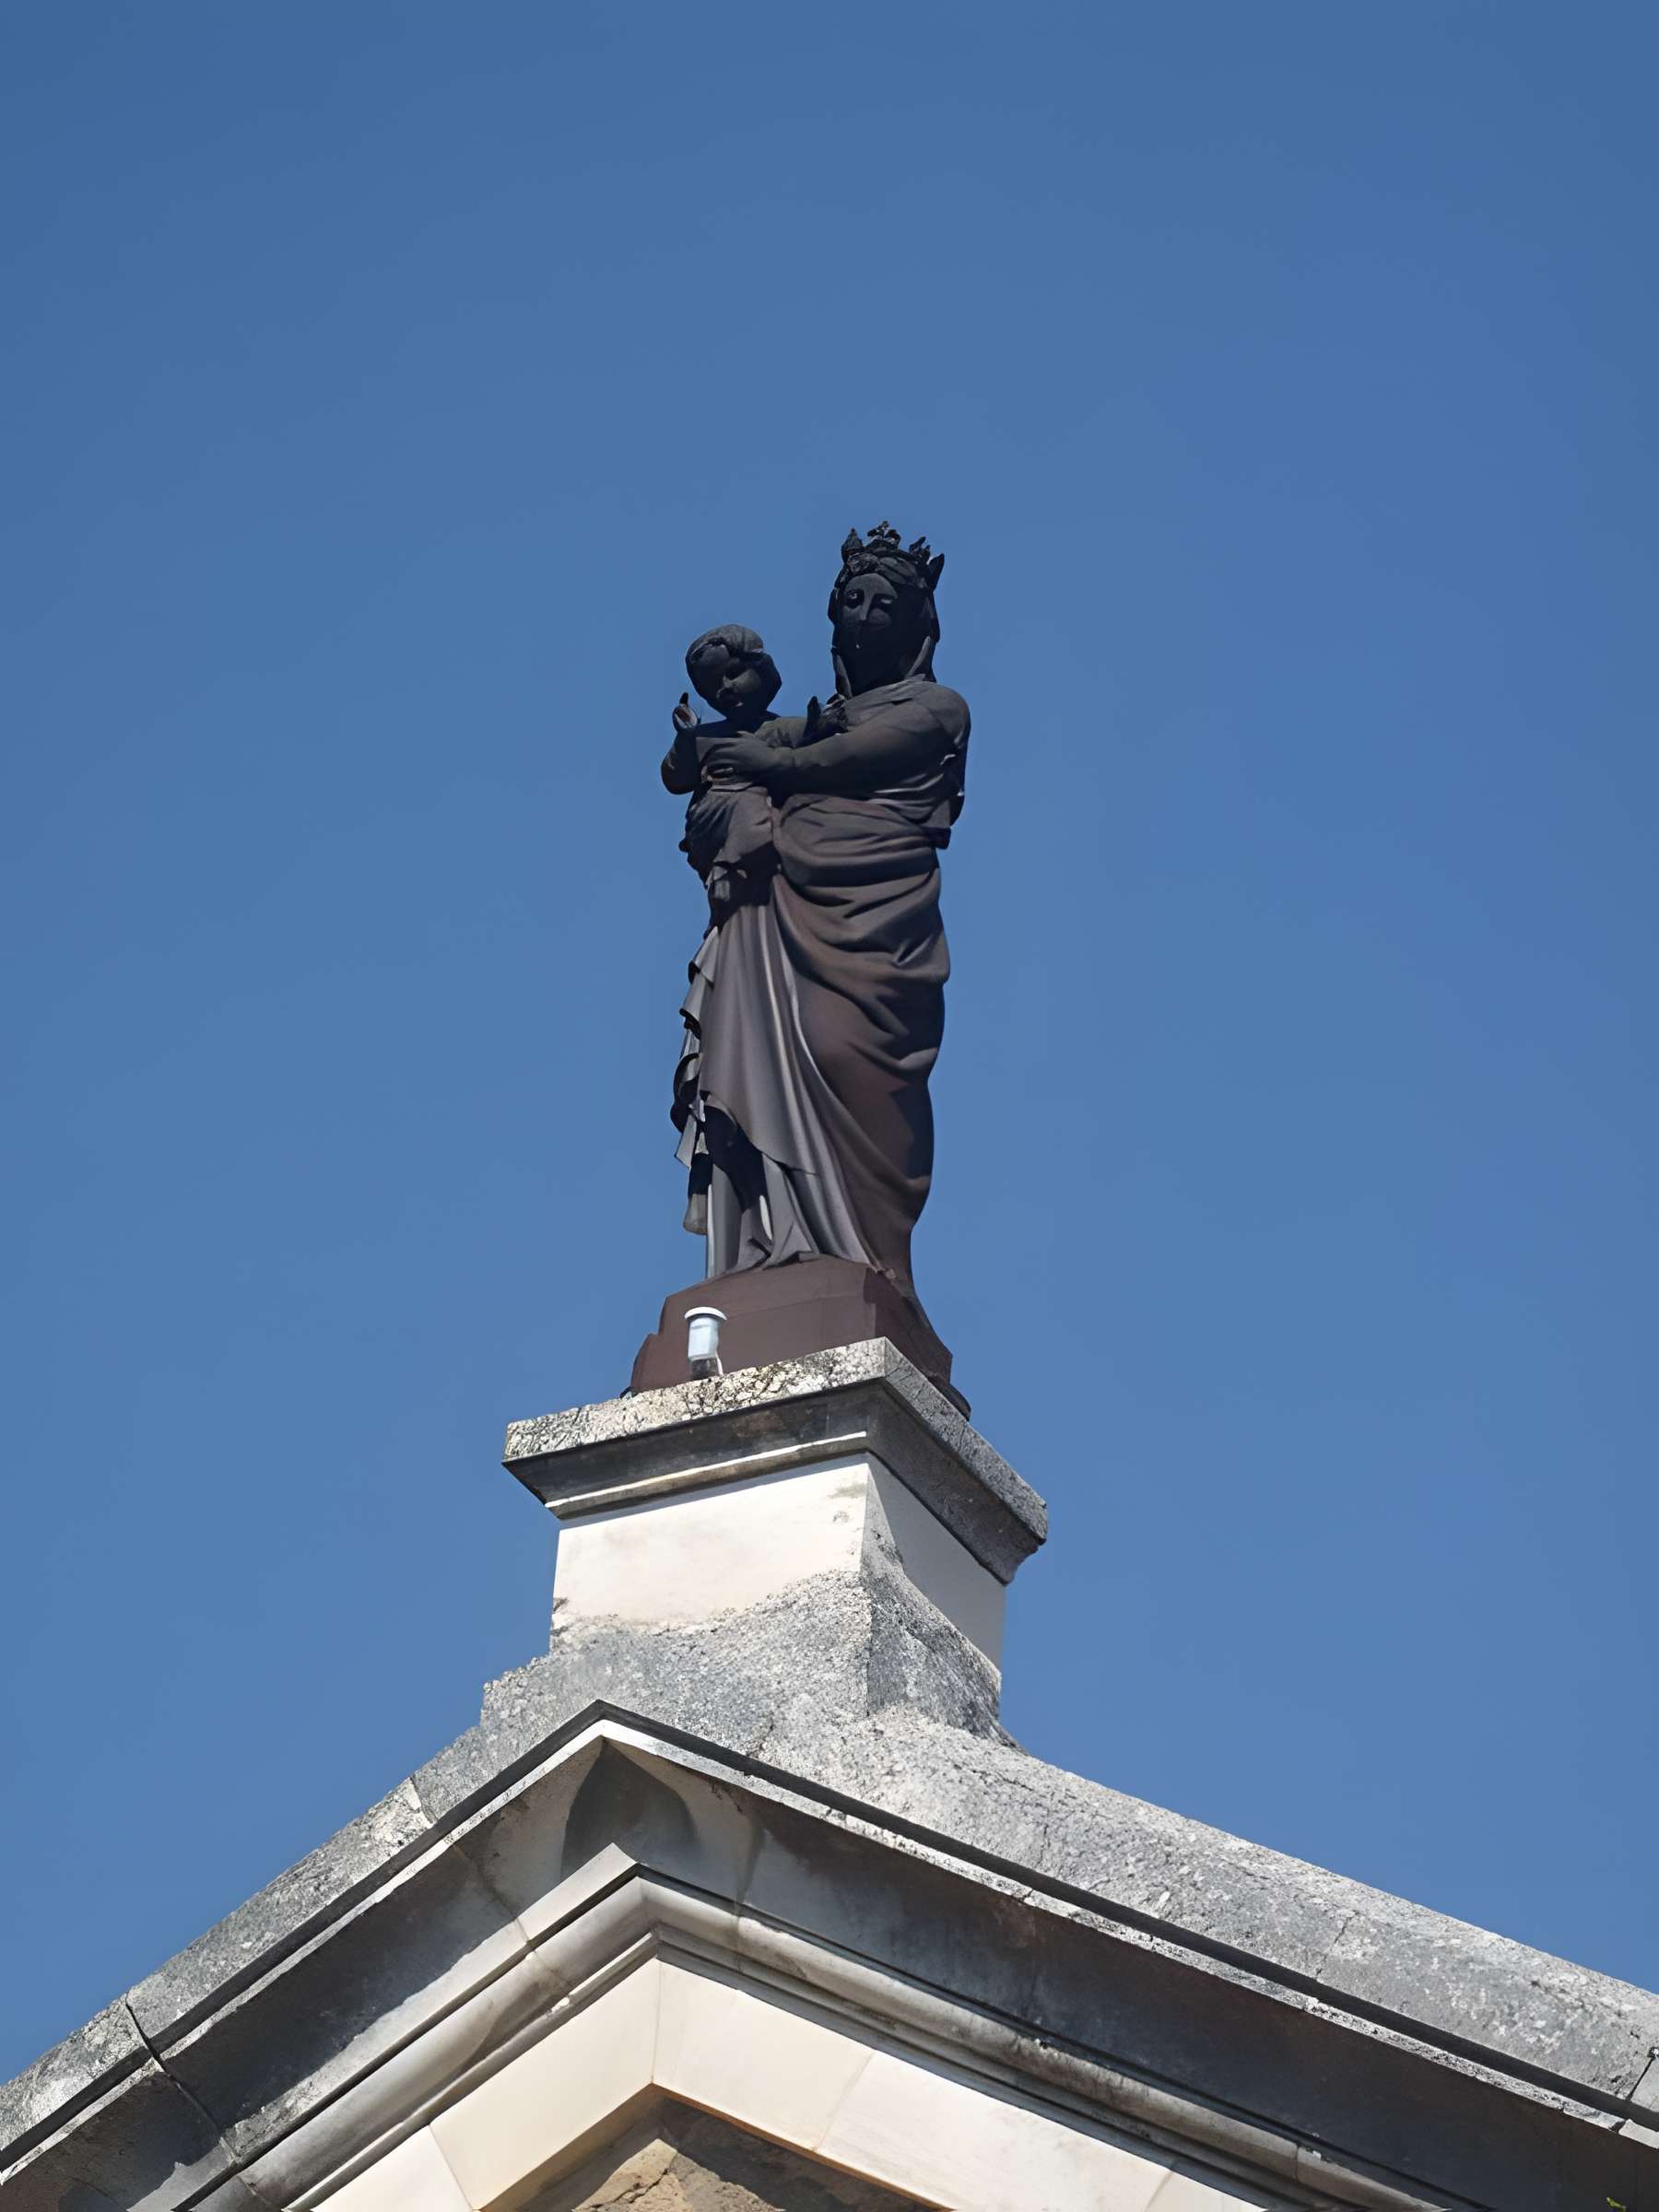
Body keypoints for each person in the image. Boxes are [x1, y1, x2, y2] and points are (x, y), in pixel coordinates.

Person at [669, 525, 968, 1314]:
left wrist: (770, 767)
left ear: (918, 623)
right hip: (774, 914)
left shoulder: (936, 708)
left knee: (849, 1061)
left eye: (884, 604)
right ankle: (765, 1253)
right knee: (758, 1057)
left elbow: (844, 763)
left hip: (873, 928)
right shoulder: (803, 720)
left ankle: (871, 1261)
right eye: (851, 601)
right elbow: (709, 768)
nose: (865, 615)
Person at [660, 626, 802, 927]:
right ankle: (725, 874)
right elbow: (674, 778)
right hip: (712, 814)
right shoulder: (706, 737)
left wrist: (826, 722)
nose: (725, 688)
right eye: (712, 687)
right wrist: (686, 738)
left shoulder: (781, 729)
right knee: (748, 809)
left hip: (759, 817)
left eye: (734, 672)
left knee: (762, 812)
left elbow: (814, 741)